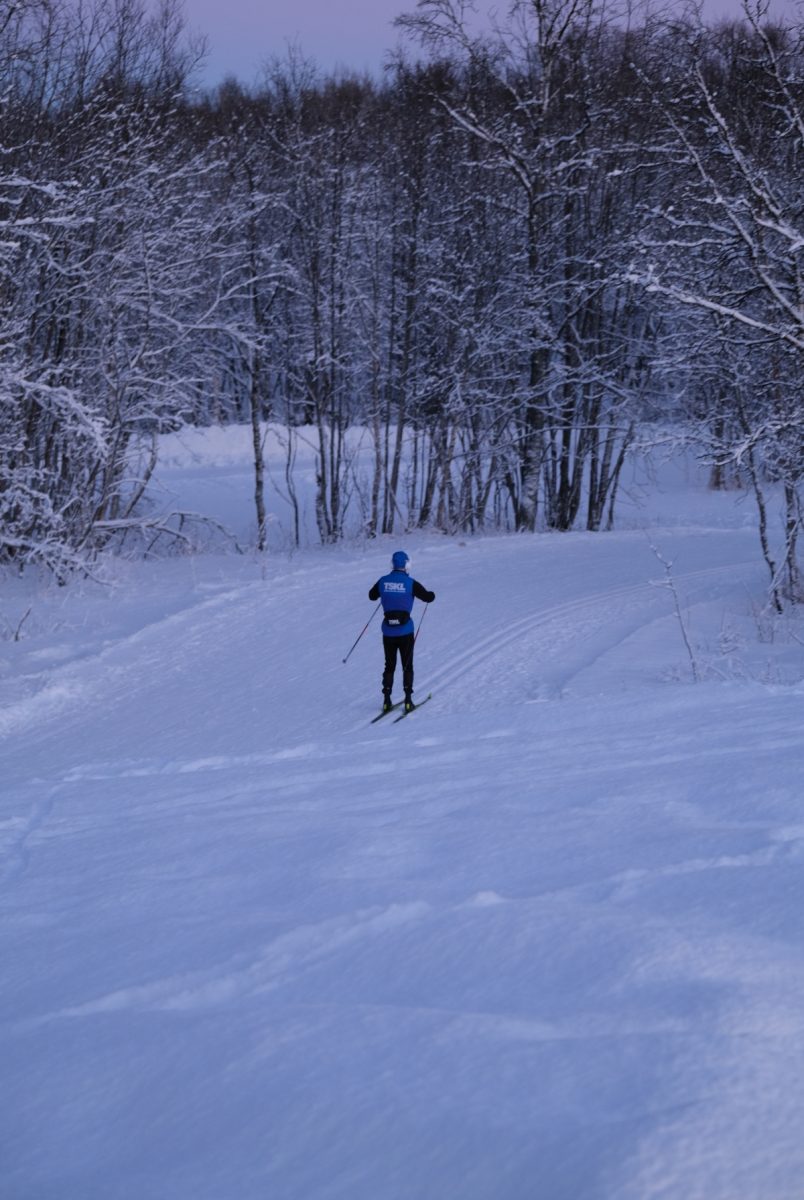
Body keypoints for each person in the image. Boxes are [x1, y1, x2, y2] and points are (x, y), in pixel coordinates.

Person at [369, 550, 435, 713]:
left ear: (392, 564)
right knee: (407, 665)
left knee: (389, 665)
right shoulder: (410, 583)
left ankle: (386, 700)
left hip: (388, 632)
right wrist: (432, 594)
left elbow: (372, 596)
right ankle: (408, 700)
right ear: (407, 565)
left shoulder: (383, 581)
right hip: (405, 631)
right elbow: (428, 597)